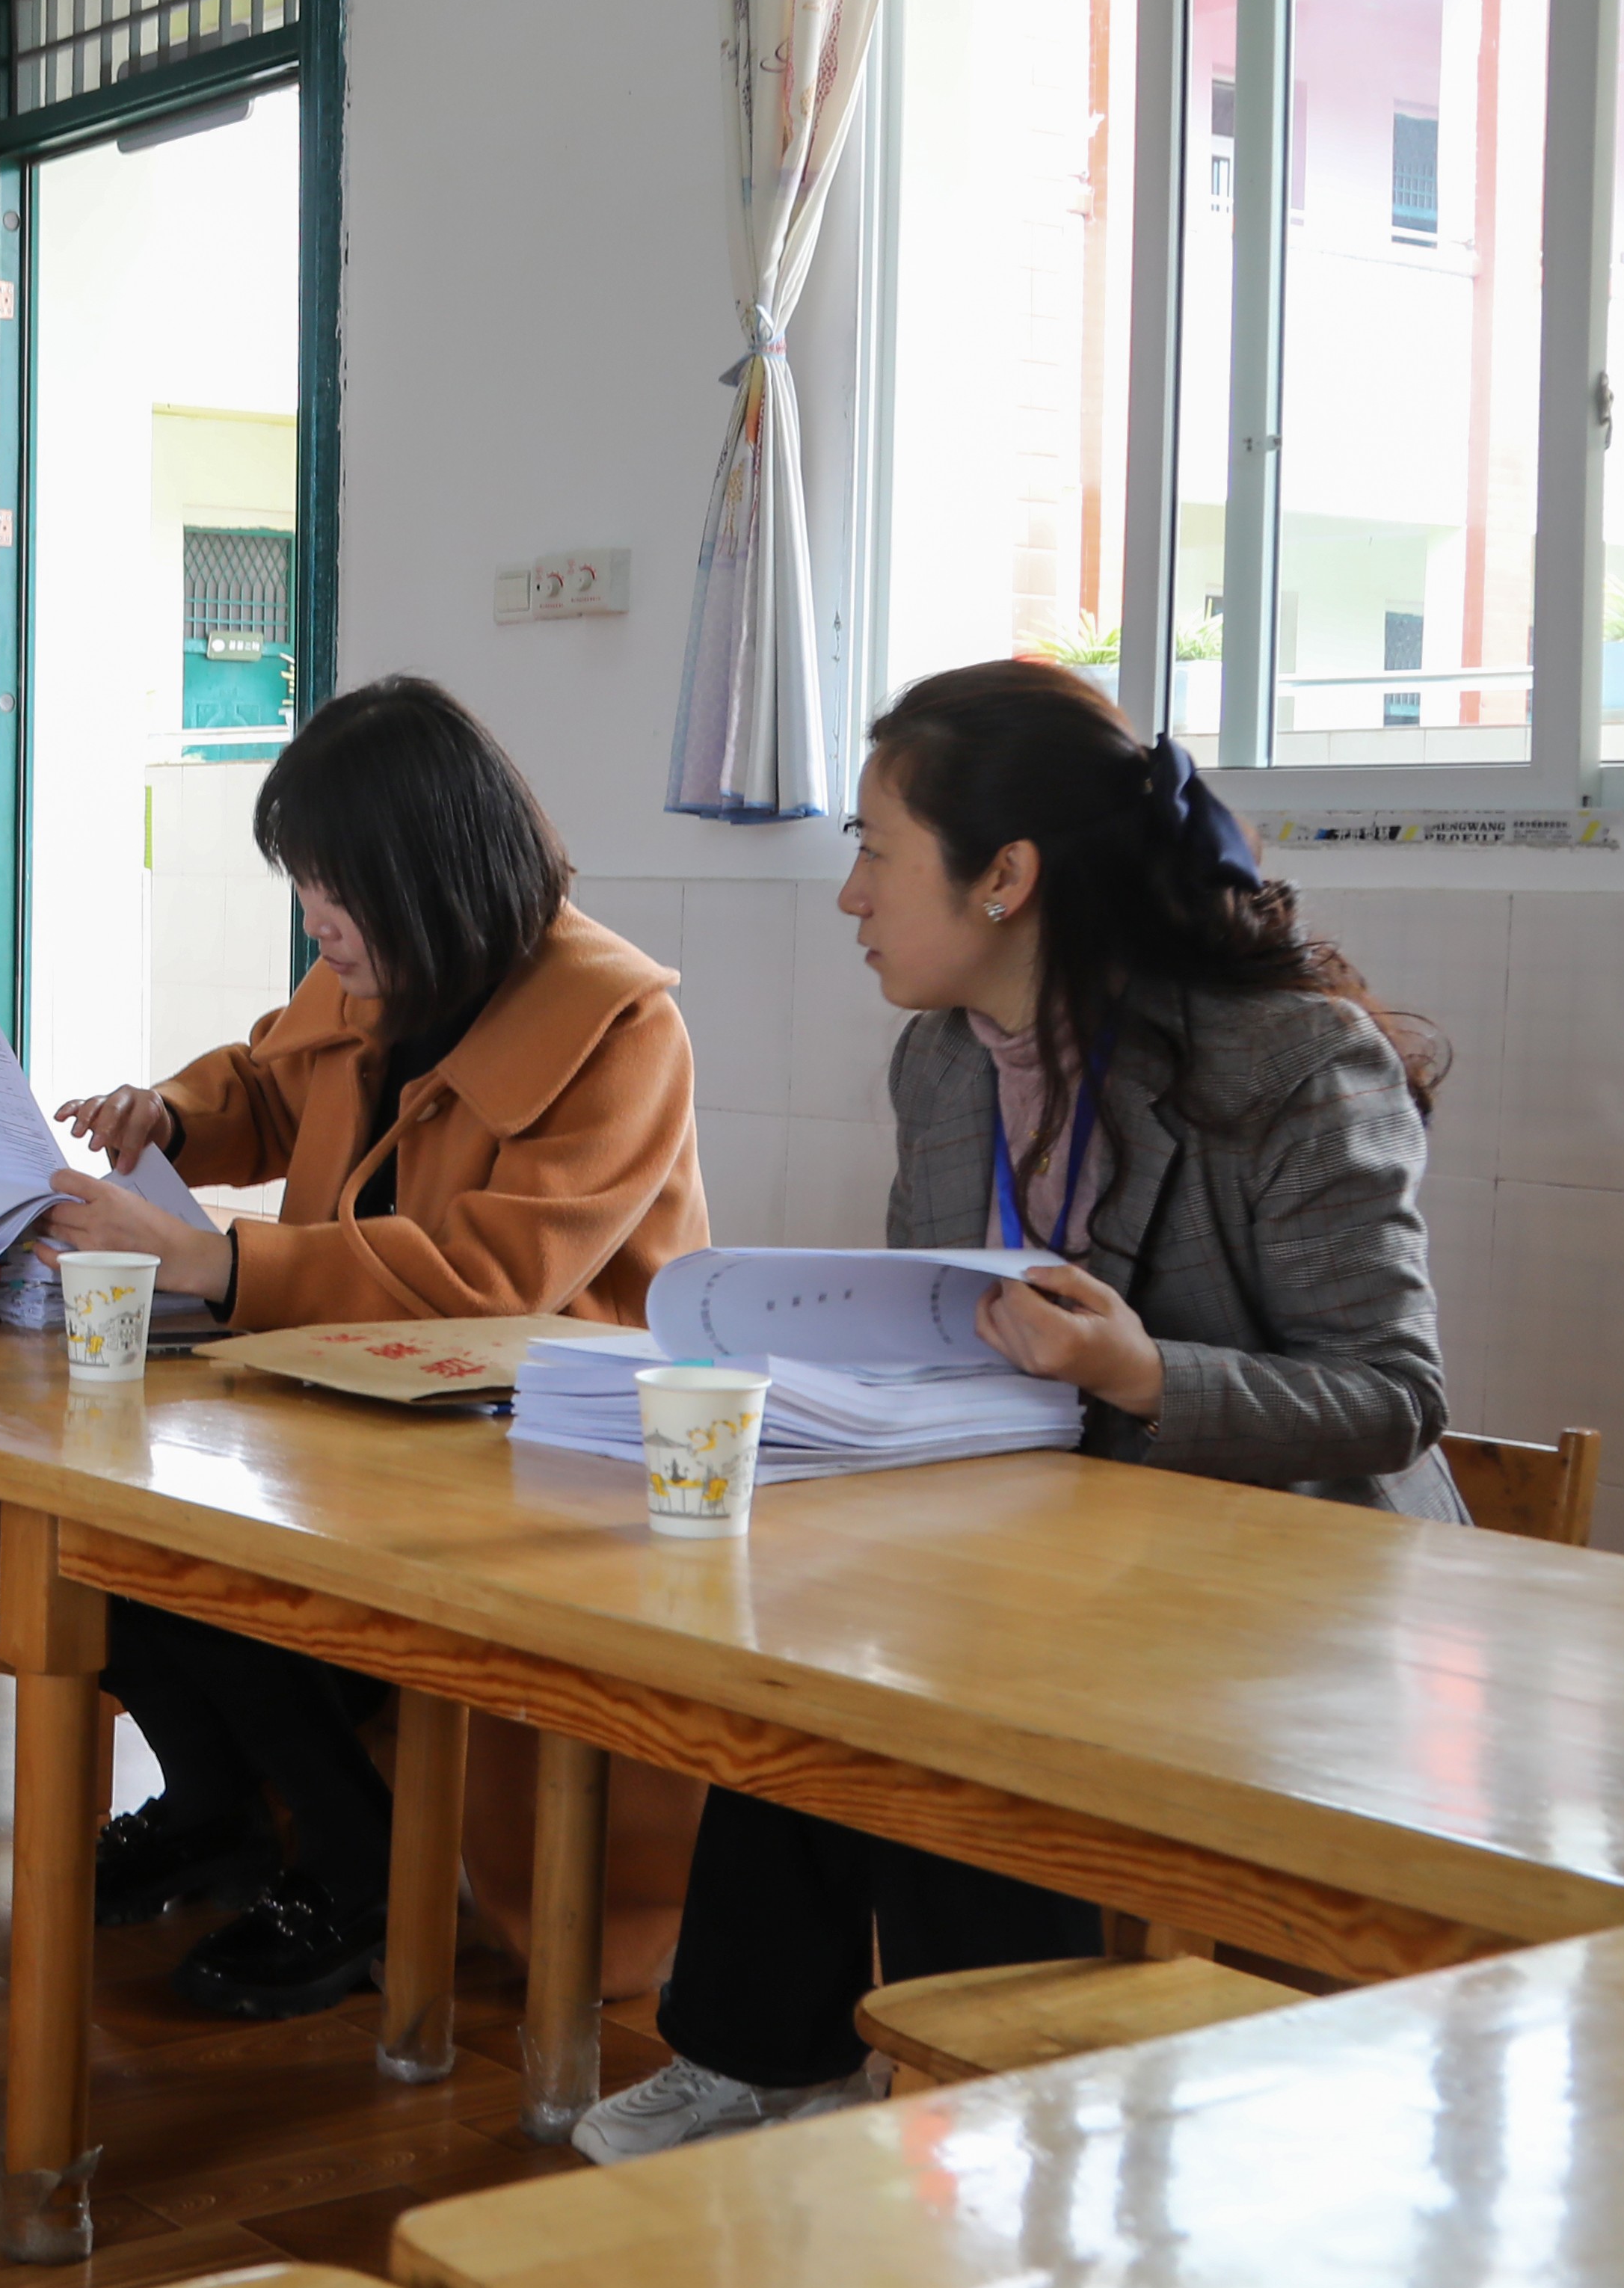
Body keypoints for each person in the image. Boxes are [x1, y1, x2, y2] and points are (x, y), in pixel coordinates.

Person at [573, 657, 1457, 2161]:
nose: (848, 895)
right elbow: (939, 1317)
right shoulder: (941, 1062)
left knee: (961, 1690)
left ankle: (991, 2106)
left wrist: (1136, 1372)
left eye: (873, 851)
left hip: (1281, 1590)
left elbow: (1391, 1397)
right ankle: (761, 2059)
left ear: (1004, 878)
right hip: (1048, 1548)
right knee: (808, 1641)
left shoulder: (1294, 1061)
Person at [40, 677, 710, 2019]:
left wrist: (219, 1264)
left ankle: (360, 1866)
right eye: (304, 884)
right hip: (353, 1394)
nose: (315, 919)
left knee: (227, 1562)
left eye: (333, 888)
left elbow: (494, 1280)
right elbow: (268, 1082)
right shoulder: (388, 967)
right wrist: (169, 1114)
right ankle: (222, 1810)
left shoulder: (619, 1024)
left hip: (537, 1445)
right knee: (96, 1528)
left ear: (429, 873)